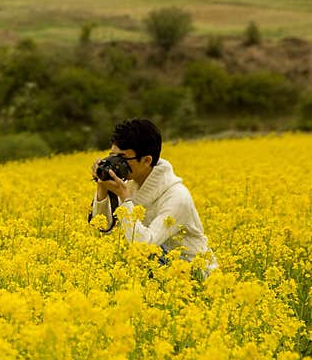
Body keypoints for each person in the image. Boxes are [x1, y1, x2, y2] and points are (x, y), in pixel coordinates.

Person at [89, 118, 217, 275]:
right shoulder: (131, 183)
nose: (115, 164)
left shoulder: (177, 197)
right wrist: (101, 188)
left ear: (146, 160)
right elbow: (103, 229)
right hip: (162, 272)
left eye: (121, 159)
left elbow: (144, 245)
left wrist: (125, 198)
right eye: (112, 157)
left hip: (194, 275)